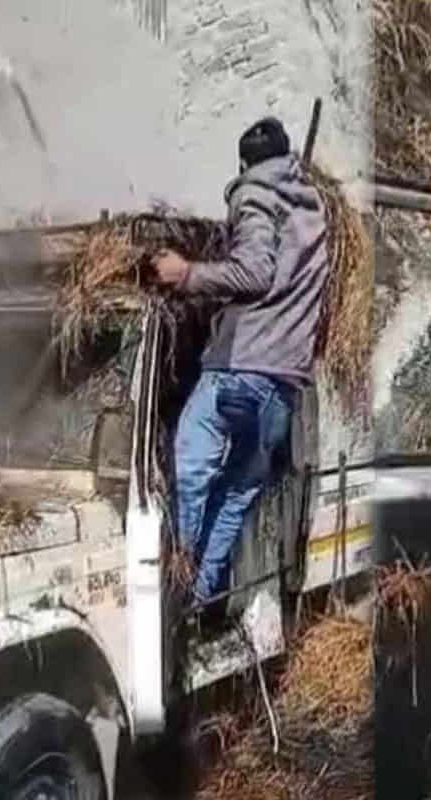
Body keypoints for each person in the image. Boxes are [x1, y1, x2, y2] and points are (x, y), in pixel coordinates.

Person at [151, 117, 330, 626]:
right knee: (237, 491)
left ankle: (176, 590)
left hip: (240, 369)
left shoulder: (255, 194)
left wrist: (186, 274)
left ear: (245, 164)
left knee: (189, 468)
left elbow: (254, 272)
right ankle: (199, 601)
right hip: (283, 385)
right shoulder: (314, 209)